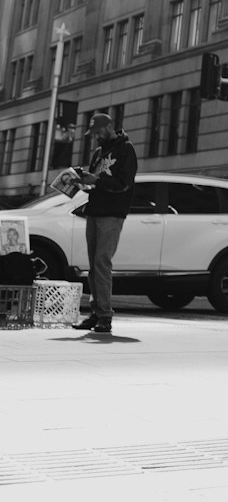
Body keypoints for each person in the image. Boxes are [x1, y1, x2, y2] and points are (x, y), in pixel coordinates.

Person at [71, 112, 138, 335]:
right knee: (94, 264)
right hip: (95, 212)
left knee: (101, 262)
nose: (96, 136)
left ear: (109, 127)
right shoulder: (99, 152)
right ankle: (96, 313)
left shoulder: (125, 149)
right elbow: (95, 183)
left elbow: (124, 184)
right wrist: (82, 182)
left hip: (112, 214)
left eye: (98, 132)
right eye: (93, 134)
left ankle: (105, 317)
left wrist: (97, 179)